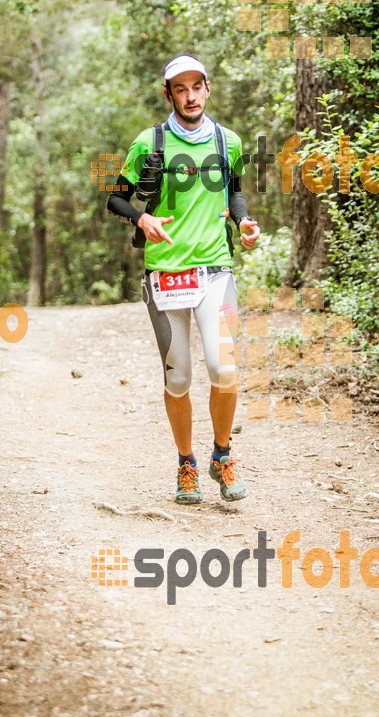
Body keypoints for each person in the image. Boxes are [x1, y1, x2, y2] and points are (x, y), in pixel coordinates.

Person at [107, 54, 260, 505]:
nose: (190, 96)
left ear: (208, 88)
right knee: (179, 380)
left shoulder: (227, 140)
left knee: (224, 369)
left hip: (215, 269)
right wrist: (142, 220)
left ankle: (223, 454)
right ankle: (187, 463)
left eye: (197, 87)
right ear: (168, 93)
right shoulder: (148, 143)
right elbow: (116, 200)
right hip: (167, 274)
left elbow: (235, 190)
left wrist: (245, 221)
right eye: (180, 88)